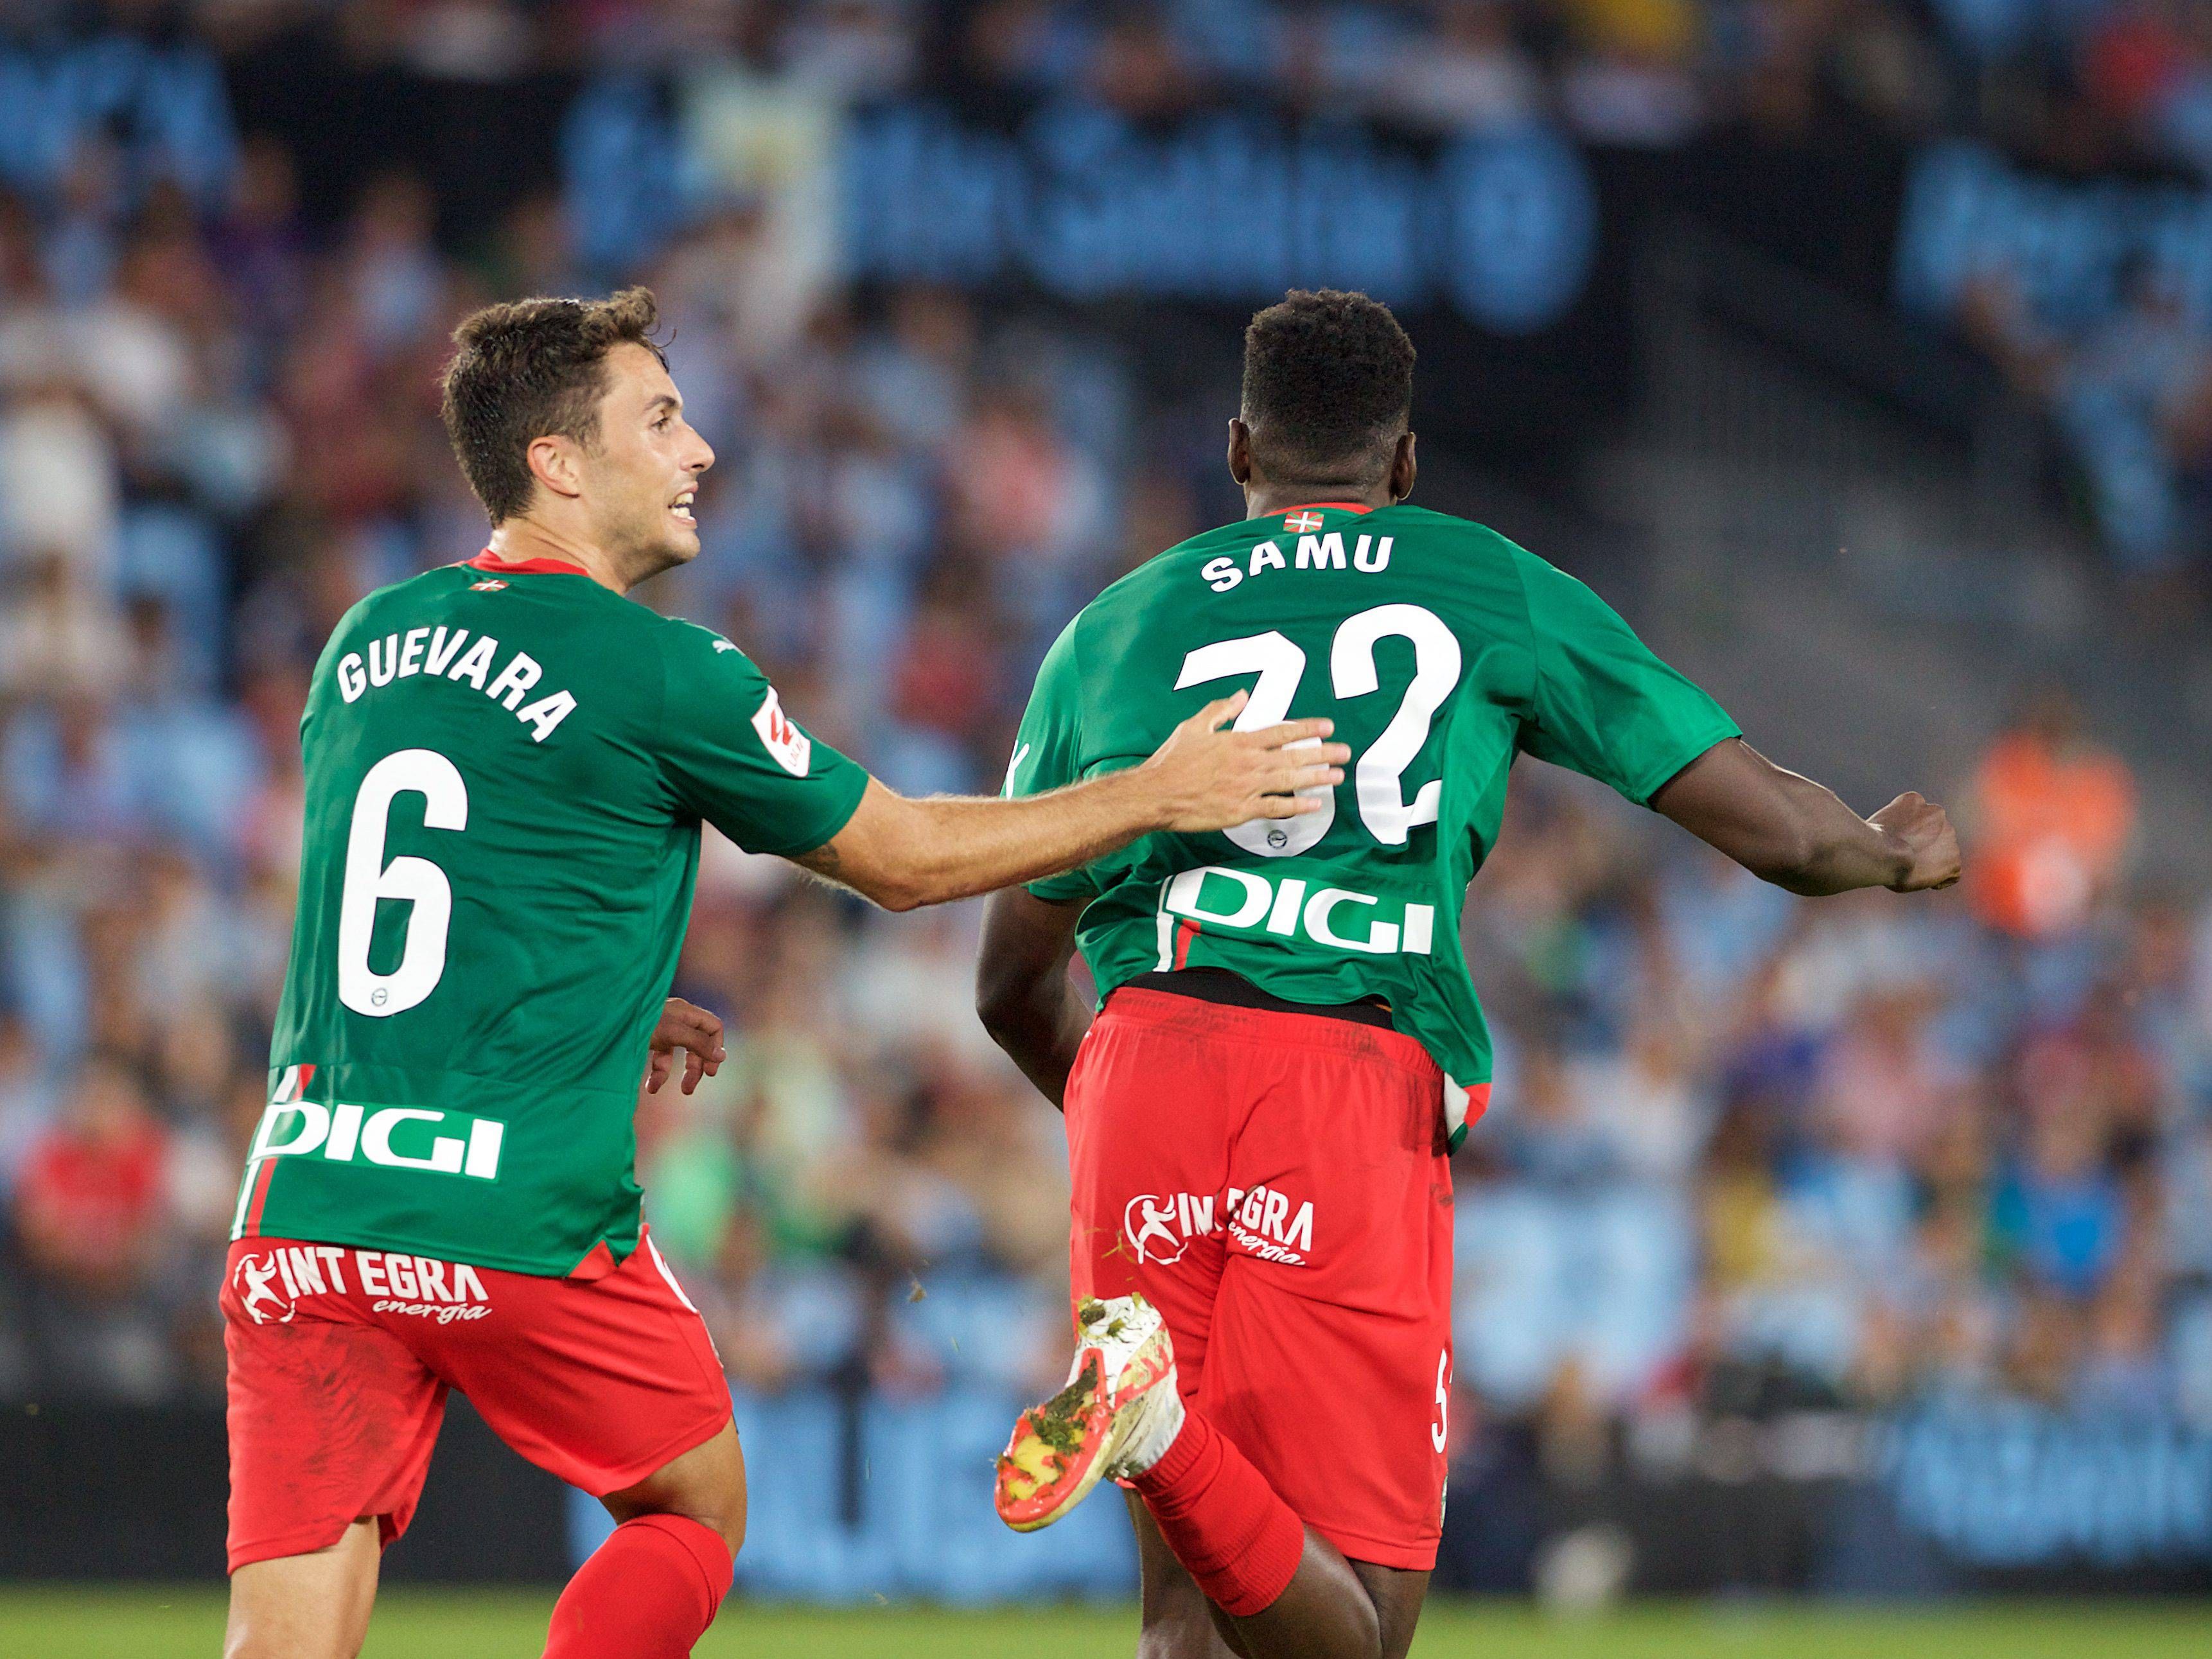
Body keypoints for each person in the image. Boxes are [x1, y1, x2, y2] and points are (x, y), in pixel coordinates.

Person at [218, 286, 1349, 1659]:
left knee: (284, 1636)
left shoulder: (361, 645)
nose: (699, 449)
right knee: (689, 1506)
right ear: (557, 461)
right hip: (511, 1210)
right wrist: (1159, 788)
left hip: (306, 1208)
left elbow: (398, 912)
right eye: (661, 418)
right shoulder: (664, 670)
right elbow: (904, 856)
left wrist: (609, 999)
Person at [976, 288, 1961, 1659]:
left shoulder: (1114, 629)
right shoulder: (1477, 577)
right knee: (1360, 1628)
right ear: (1406, 462)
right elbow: (1781, 833)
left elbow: (1009, 986)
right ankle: (1154, 1423)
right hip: (1342, 1073)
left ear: (1239, 451)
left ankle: (1151, 1416)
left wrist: (1119, 1117)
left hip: (1137, 1066)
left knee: (1185, 1621)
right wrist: (1893, 855)